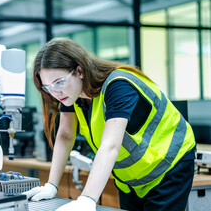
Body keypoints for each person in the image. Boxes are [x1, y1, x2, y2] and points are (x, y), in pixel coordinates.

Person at [24, 37, 196, 211]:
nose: (55, 93)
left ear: (79, 71)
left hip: (169, 166)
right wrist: (51, 186)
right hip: (131, 179)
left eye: (59, 82)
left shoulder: (118, 85)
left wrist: (87, 199)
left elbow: (110, 145)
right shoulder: (71, 95)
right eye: (47, 87)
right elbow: (65, 135)